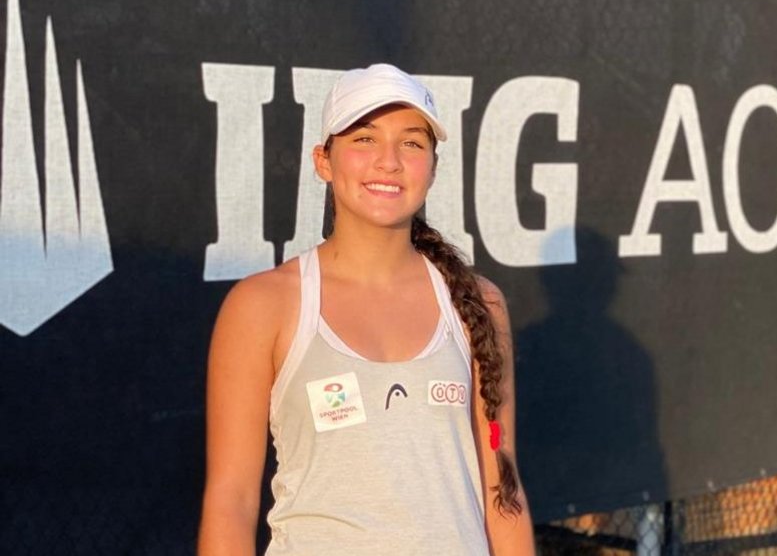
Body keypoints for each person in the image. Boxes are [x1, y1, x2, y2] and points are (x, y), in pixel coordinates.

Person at [198, 64, 535, 554]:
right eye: (364, 139)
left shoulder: (479, 303)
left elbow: (502, 489)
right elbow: (232, 500)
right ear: (323, 160)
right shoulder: (263, 304)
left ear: (433, 168)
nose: (389, 161)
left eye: (411, 143)